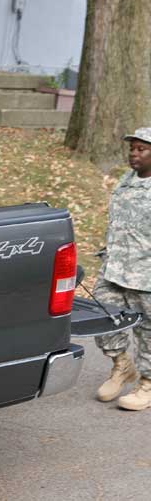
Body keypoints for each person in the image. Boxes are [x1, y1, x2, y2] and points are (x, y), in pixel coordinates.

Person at [93, 128, 151, 410]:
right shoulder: (127, 180)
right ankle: (122, 365)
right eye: (132, 149)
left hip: (146, 274)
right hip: (115, 267)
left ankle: (148, 384)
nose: (134, 154)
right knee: (102, 316)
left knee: (148, 331)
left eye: (142, 149)